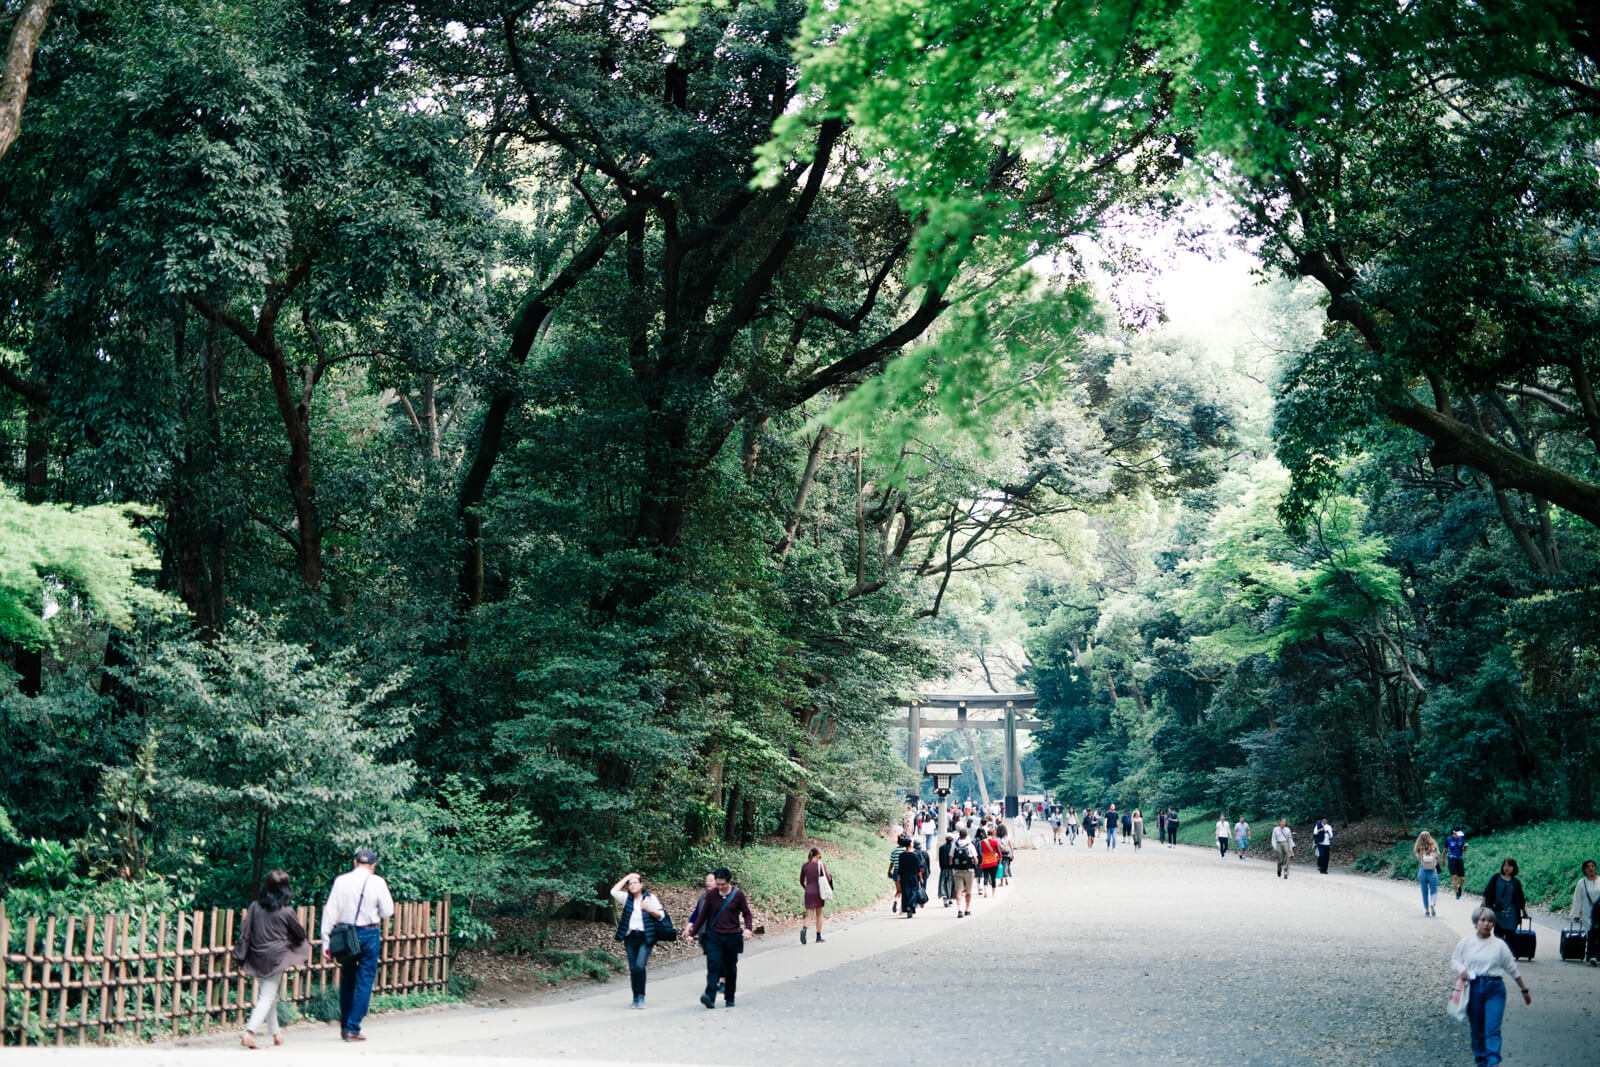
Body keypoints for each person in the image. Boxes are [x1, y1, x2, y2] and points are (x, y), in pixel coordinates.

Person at [320, 848, 395, 1043]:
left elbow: (330, 910)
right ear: (373, 865)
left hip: (346, 934)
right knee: (365, 980)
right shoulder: (377, 882)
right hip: (369, 933)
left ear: (354, 863)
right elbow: (388, 911)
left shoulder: (341, 881)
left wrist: (326, 941)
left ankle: (345, 1026)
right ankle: (353, 1027)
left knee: (347, 979)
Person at [238, 869, 311, 1049]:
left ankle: (276, 1033)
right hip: (275, 958)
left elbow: (245, 930)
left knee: (267, 994)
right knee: (267, 996)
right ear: (285, 889)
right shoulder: (286, 911)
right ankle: (249, 1032)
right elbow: (300, 934)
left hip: (256, 955)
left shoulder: (255, 906)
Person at [1451, 906, 1531, 1067]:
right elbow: (1454, 961)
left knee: (1492, 1029)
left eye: (1490, 921)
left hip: (1495, 989)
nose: (1486, 924)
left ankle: (1493, 1062)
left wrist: (1524, 989)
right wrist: (1462, 971)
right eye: (1483, 920)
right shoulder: (1466, 943)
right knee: (1477, 1030)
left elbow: (1511, 968)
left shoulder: (1499, 945)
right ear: (1475, 922)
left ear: (1494, 924)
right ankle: (1481, 1061)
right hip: (1474, 988)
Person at [689, 867, 752, 1009]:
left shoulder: (738, 895)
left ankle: (730, 998)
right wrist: (692, 934)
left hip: (731, 936)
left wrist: (748, 928)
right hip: (714, 937)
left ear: (729, 882)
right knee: (713, 966)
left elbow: (747, 913)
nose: (720, 887)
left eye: (723, 884)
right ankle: (710, 997)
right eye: (718, 884)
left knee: (730, 969)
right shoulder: (711, 895)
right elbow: (702, 915)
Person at [610, 871, 667, 1008]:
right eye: (631, 883)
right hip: (630, 937)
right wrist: (627, 877)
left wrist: (650, 910)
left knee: (639, 966)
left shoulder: (650, 898)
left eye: (636, 882)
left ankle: (641, 997)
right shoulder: (626, 899)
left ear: (641, 884)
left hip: (645, 937)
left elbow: (661, 915)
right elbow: (613, 891)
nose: (633, 885)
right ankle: (635, 997)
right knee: (633, 968)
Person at [1482, 859, 1528, 943]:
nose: (1507, 867)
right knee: (1498, 937)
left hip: (1512, 915)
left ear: (1514, 868)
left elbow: (1520, 898)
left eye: (1510, 866)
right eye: (1505, 865)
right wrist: (1483, 903)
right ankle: (1499, 954)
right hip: (1497, 913)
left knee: (1510, 939)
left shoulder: (1516, 882)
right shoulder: (1496, 877)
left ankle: (1508, 955)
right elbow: (1487, 891)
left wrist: (1524, 911)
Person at [1569, 859, 1599, 965]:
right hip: (1588, 912)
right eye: (1588, 867)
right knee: (1591, 932)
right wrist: (1576, 914)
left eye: (1592, 866)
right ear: (1584, 870)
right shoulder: (1581, 883)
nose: (1590, 868)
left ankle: (1594, 955)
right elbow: (1577, 899)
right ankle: (1592, 955)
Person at [799, 848, 830, 944]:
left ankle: (804, 929)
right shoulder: (821, 865)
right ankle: (818, 936)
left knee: (809, 915)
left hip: (808, 891)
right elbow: (828, 879)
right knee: (819, 915)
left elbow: (801, 881)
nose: (820, 858)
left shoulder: (805, 866)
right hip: (818, 892)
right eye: (820, 856)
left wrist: (806, 888)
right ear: (817, 855)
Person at [950, 827, 978, 917]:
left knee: (958, 890)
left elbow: (950, 859)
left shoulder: (954, 845)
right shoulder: (970, 845)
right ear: (966, 836)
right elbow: (976, 860)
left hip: (957, 871)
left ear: (959, 835)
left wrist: (953, 867)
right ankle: (967, 909)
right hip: (969, 871)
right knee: (968, 891)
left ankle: (959, 909)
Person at [1414, 832, 1442, 917]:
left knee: (1424, 892)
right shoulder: (1434, 848)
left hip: (1422, 871)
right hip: (1432, 871)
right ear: (1430, 837)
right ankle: (1432, 903)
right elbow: (1437, 860)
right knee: (1433, 891)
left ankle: (1427, 911)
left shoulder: (1419, 848)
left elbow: (1419, 860)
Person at [887, 835, 907, 912]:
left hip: (896, 871)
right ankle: (902, 908)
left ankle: (895, 901)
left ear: (898, 842)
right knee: (905, 890)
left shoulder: (894, 851)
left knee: (898, 891)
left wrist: (889, 871)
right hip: (904, 872)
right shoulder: (906, 850)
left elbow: (892, 862)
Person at [1447, 829, 1469, 899]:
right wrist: (1443, 860)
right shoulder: (1448, 839)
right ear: (1454, 833)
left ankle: (1459, 887)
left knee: (1462, 878)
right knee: (1455, 876)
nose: (1459, 836)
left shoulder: (1461, 839)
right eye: (1458, 834)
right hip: (1451, 858)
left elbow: (1463, 851)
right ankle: (1457, 893)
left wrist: (1465, 848)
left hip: (1460, 859)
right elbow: (1445, 849)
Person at [937, 832, 956, 906]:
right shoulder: (954, 847)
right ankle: (950, 899)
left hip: (944, 868)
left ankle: (945, 897)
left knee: (943, 882)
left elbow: (940, 859)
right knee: (951, 883)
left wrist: (941, 867)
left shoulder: (941, 848)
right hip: (952, 868)